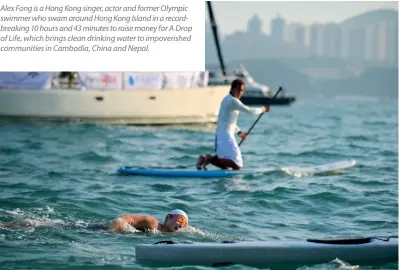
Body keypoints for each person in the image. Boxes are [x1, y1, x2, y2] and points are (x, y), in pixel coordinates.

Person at [196, 79, 270, 171]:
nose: (240, 92)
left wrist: (239, 133)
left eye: (242, 90)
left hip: (222, 135)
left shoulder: (226, 99)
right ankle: (210, 159)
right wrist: (263, 109)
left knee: (226, 167)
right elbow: (250, 111)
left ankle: (204, 159)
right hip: (225, 137)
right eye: (238, 89)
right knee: (237, 164)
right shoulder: (233, 101)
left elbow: (229, 121)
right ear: (233, 88)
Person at [0, 209, 189, 233]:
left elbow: (199, 233)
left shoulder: (168, 229)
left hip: (101, 231)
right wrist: (108, 233)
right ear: (168, 217)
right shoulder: (152, 222)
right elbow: (121, 219)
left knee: (58, 225)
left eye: (184, 223)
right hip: (99, 229)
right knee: (48, 226)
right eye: (180, 219)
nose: (182, 224)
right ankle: (8, 225)